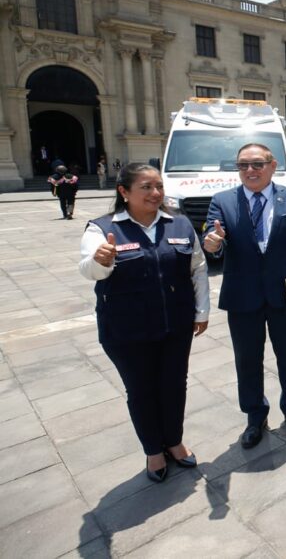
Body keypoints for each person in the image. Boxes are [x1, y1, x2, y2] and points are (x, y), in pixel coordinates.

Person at [78, 163, 210, 483]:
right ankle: (153, 450)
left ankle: (174, 441)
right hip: (126, 331)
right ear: (124, 192)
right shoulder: (101, 229)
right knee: (141, 390)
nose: (155, 193)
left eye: (159, 186)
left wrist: (201, 312)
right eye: (146, 187)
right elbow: (89, 270)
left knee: (174, 385)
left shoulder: (179, 224)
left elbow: (198, 269)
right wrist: (100, 260)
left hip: (175, 325)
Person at [203, 143, 286, 448]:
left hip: (284, 295)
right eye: (243, 165)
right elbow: (212, 235)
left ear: (272, 165)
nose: (250, 170)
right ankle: (255, 416)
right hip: (242, 296)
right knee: (247, 360)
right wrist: (212, 243)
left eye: (256, 164)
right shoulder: (223, 201)